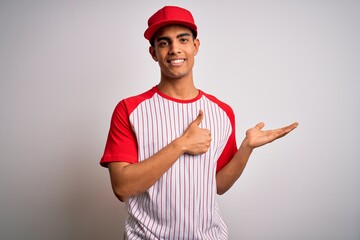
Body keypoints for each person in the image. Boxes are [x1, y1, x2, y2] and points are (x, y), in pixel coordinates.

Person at [100, 5, 298, 239]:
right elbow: (122, 188)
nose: (174, 49)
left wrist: (246, 149)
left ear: (195, 46)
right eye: (164, 43)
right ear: (153, 53)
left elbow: (217, 185)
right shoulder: (129, 109)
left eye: (183, 40)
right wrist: (181, 144)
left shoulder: (222, 111)